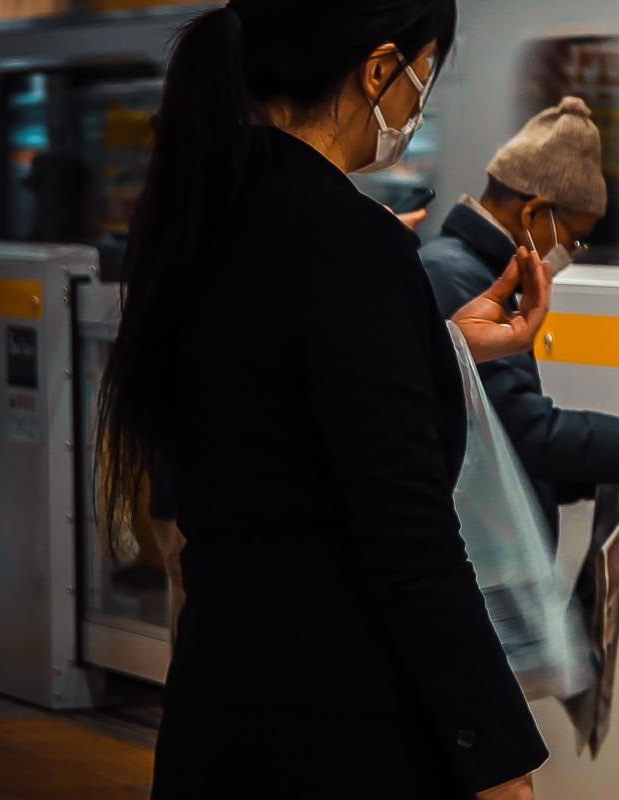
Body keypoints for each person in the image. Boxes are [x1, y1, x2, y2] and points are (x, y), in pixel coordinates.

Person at [94, 3, 555, 798]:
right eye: (422, 78)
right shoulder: (350, 243)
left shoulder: (202, 218)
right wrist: (497, 755)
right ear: (379, 71)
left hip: (220, 705)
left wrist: (437, 345)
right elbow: (406, 534)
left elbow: (273, 404)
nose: (418, 106)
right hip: (338, 728)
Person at [421, 97, 619, 546]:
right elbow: (520, 433)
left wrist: (602, 468)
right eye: (574, 239)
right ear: (534, 213)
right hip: (481, 565)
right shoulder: (460, 279)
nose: (570, 255)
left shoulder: (460, 268)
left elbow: (498, 452)